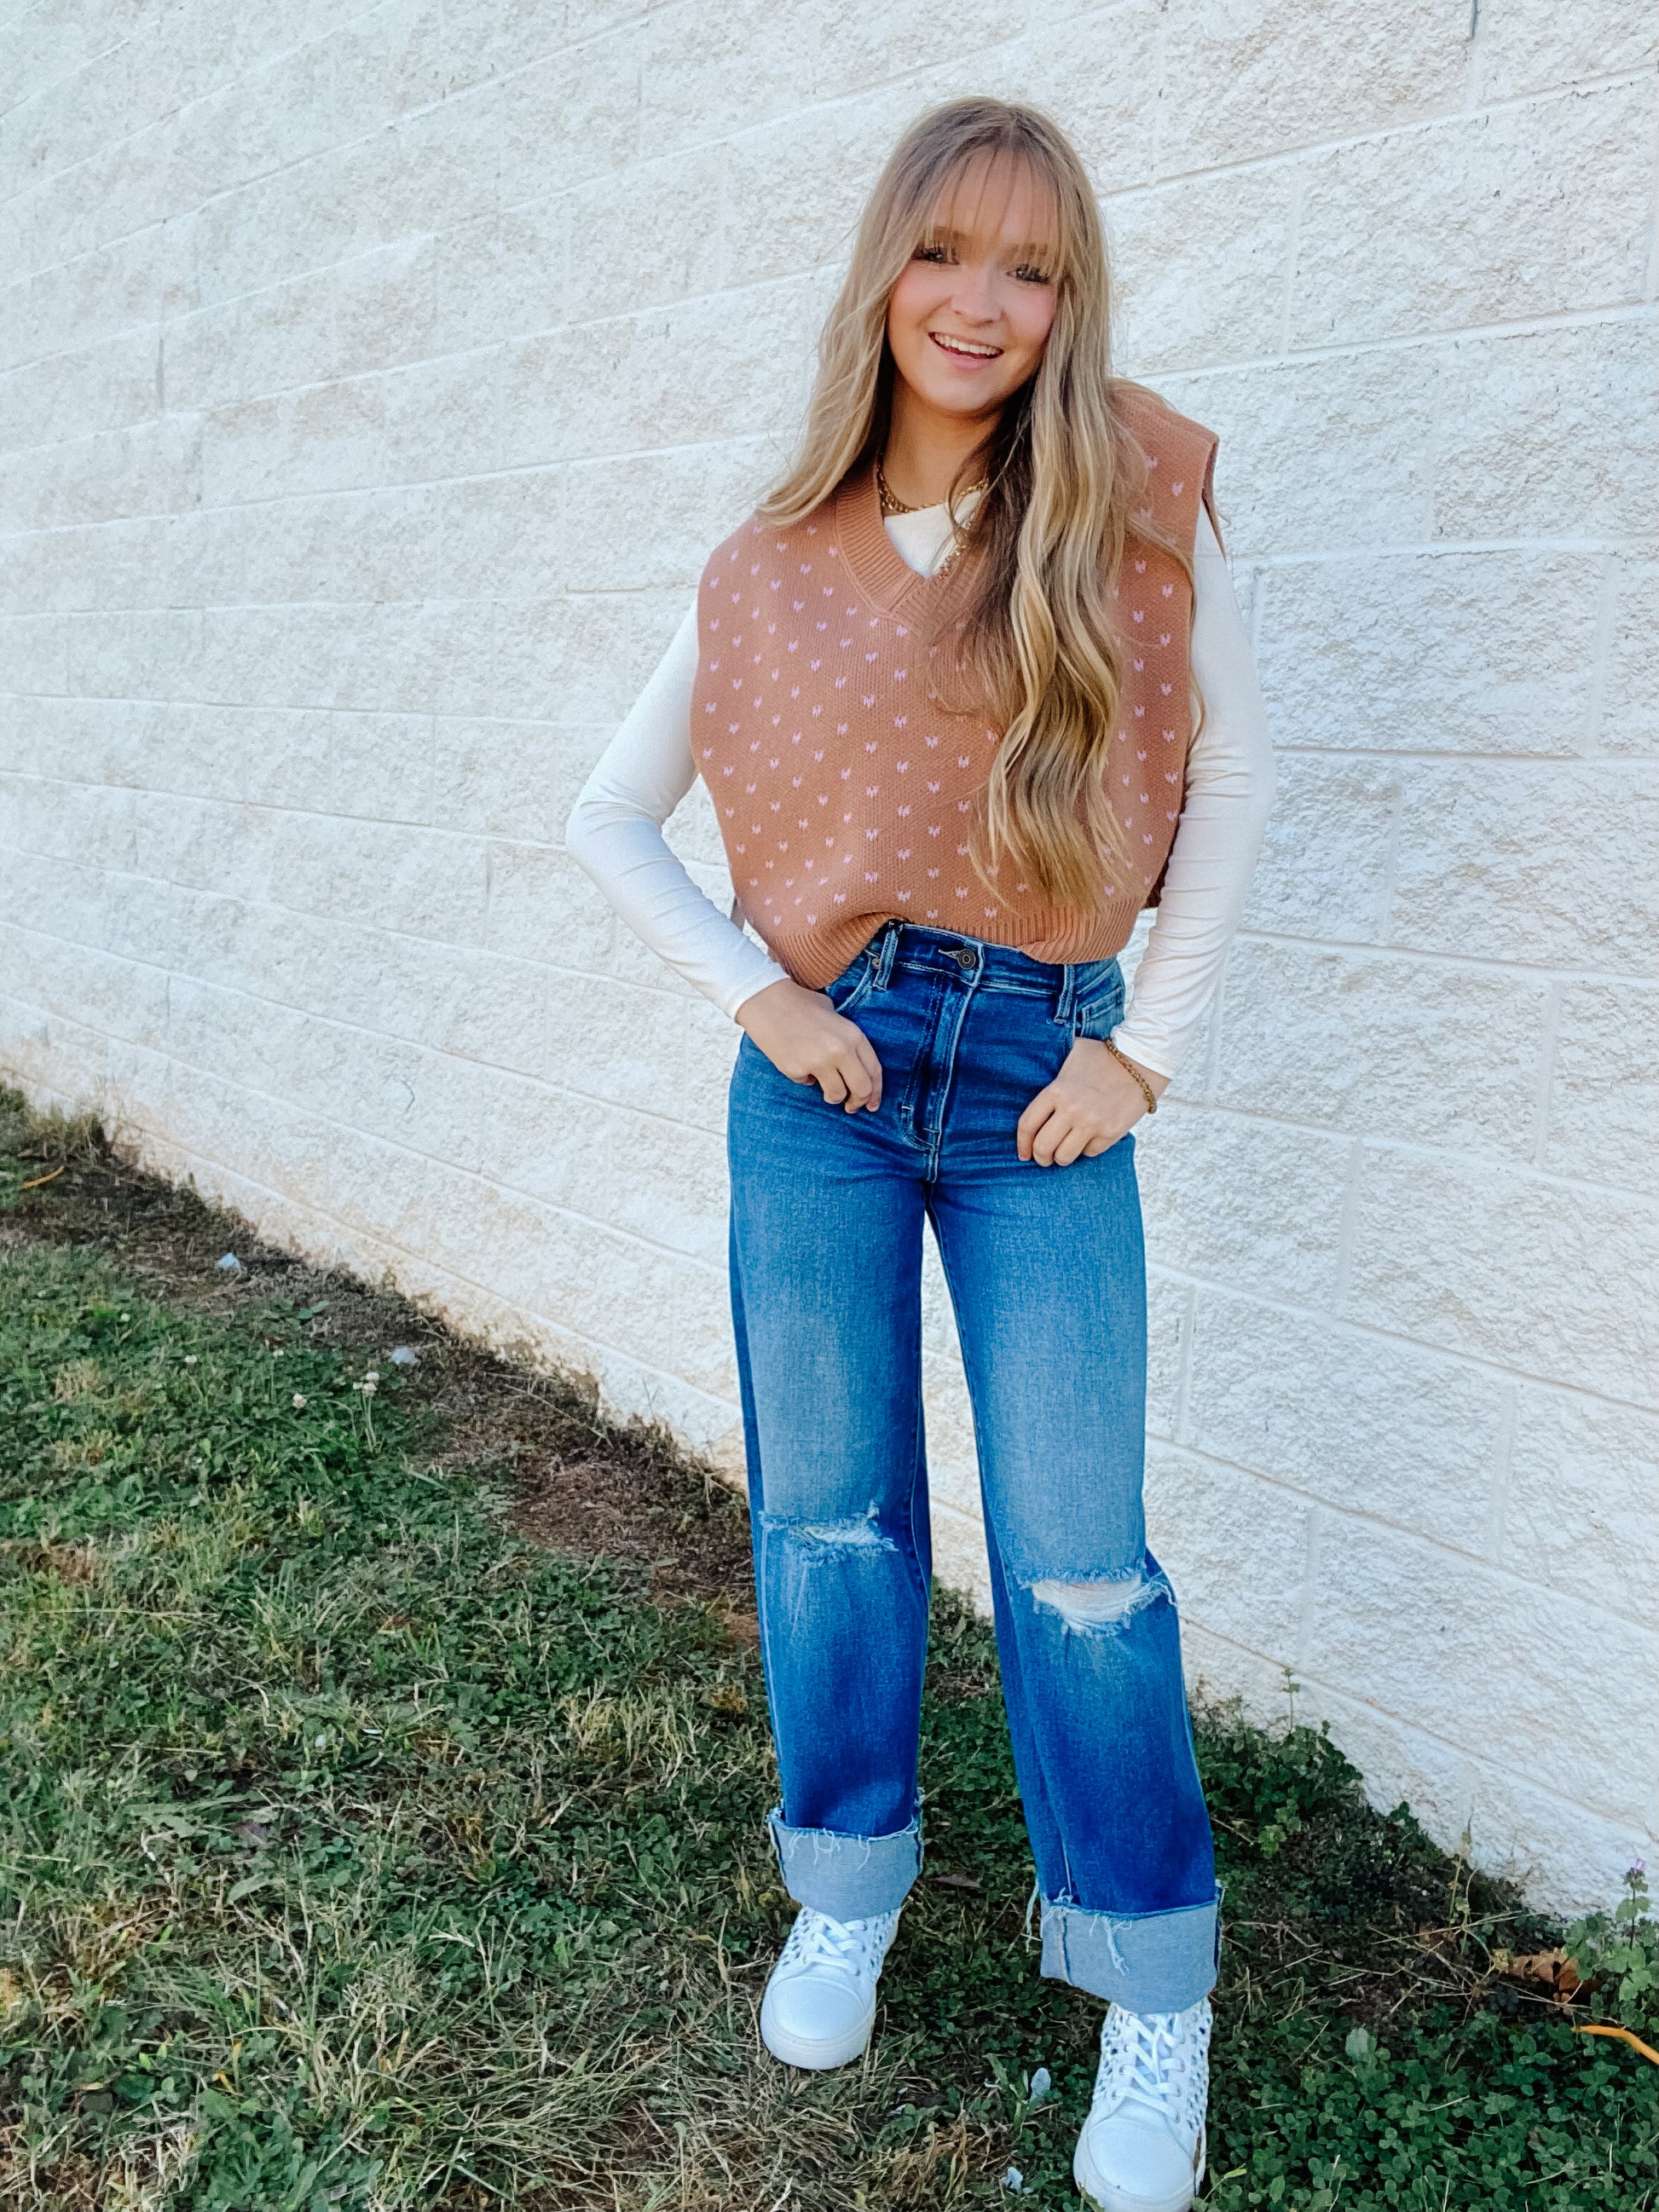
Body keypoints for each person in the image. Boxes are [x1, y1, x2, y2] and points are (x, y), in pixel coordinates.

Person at [566, 95, 1275, 2212]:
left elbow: (1232, 774)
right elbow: (607, 814)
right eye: (948, 251)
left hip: (1045, 1073)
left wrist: (1144, 1052)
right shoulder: (767, 559)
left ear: (1070, 300)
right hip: (828, 1091)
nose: (983, 301)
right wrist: (757, 997)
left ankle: (1148, 1980)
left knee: (1077, 1558)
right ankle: (847, 1884)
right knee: (830, 1519)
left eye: (1032, 268)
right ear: (885, 270)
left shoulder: (1135, 496)